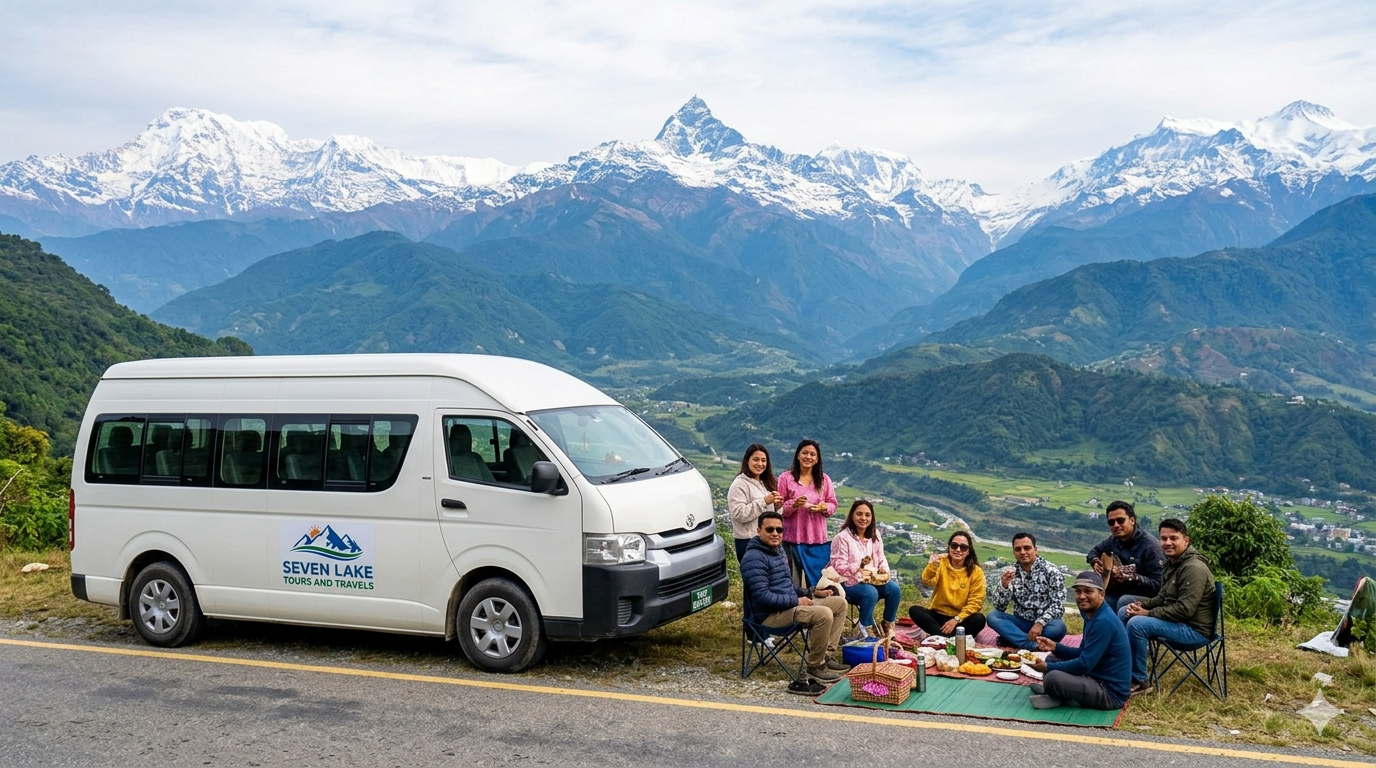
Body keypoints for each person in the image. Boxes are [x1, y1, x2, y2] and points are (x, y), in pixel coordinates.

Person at [740, 510, 850, 694]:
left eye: (779, 529)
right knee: (823, 614)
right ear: (759, 531)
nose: (775, 533)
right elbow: (763, 597)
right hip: (769, 616)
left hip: (788, 607)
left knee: (839, 603)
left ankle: (825, 655)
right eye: (769, 529)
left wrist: (811, 592)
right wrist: (796, 600)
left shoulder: (777, 551)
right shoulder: (754, 558)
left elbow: (788, 586)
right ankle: (815, 666)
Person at [1117, 518, 1217, 696]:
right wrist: (1141, 605)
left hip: (1194, 630)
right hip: (1178, 622)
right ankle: (1122, 668)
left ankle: (1140, 681)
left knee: (1137, 624)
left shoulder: (1193, 568)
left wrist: (1148, 613)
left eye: (1173, 538)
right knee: (1125, 610)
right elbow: (1163, 598)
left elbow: (1184, 610)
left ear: (1186, 541)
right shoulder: (1173, 563)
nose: (1168, 543)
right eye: (1163, 538)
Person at [1026, 571, 1131, 710]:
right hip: (1095, 676)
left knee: (1053, 676)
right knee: (1052, 658)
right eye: (1078, 591)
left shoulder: (1103, 621)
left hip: (1109, 692)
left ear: (1102, 594)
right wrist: (1056, 647)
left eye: (1088, 591)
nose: (1082, 596)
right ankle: (1055, 693)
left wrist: (1047, 668)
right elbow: (1082, 652)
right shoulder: (1092, 614)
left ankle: (1055, 693)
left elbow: (1084, 664)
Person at [829, 499, 902, 636]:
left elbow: (881, 557)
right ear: (852, 515)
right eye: (859, 514)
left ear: (872, 517)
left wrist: (884, 572)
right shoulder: (842, 538)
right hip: (848, 583)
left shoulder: (875, 535)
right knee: (870, 592)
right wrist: (859, 566)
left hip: (871, 580)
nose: (863, 518)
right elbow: (838, 566)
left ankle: (887, 624)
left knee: (894, 589)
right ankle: (865, 628)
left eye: (867, 515)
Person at [987, 533, 1068, 651]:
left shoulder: (1051, 571)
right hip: (1021, 623)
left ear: (1035, 549)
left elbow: (1058, 606)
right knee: (993, 616)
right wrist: (1004, 586)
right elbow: (1000, 607)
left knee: (1058, 628)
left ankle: (1014, 640)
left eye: (1027, 548)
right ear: (1014, 552)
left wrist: (1040, 623)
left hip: (1045, 624)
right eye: (1018, 549)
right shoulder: (1011, 573)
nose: (1023, 552)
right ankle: (1031, 645)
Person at [777, 439, 837, 588]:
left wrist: (823, 507)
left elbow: (833, 504)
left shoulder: (824, 480)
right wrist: (793, 505)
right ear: (798, 455)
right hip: (791, 539)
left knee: (818, 583)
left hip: (816, 540)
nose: (808, 457)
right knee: (792, 582)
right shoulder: (786, 478)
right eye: (804, 453)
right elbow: (778, 508)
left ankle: (817, 604)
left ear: (817, 459)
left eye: (812, 454)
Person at [1086, 501, 1165, 609]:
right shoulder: (1113, 540)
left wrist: (1135, 578)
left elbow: (1159, 585)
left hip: (1146, 596)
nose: (1116, 525)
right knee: (1089, 597)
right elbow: (1094, 552)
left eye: (1120, 520)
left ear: (1132, 520)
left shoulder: (1150, 547)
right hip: (1120, 591)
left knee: (1124, 601)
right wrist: (1095, 561)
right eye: (1111, 522)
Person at [908, 530, 987, 638]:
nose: (958, 550)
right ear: (949, 547)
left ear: (968, 551)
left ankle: (939, 635)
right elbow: (927, 581)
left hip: (961, 619)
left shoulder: (976, 572)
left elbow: (975, 603)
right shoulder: (941, 562)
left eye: (963, 547)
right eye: (954, 545)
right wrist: (932, 566)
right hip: (938, 615)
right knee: (915, 610)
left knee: (979, 619)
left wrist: (956, 619)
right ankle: (946, 637)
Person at [727, 444, 781, 563]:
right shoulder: (739, 484)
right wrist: (764, 501)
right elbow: (739, 514)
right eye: (755, 459)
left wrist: (777, 507)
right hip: (748, 541)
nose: (760, 464)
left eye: (763, 460)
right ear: (747, 461)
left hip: (767, 540)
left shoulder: (766, 483)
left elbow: (769, 514)